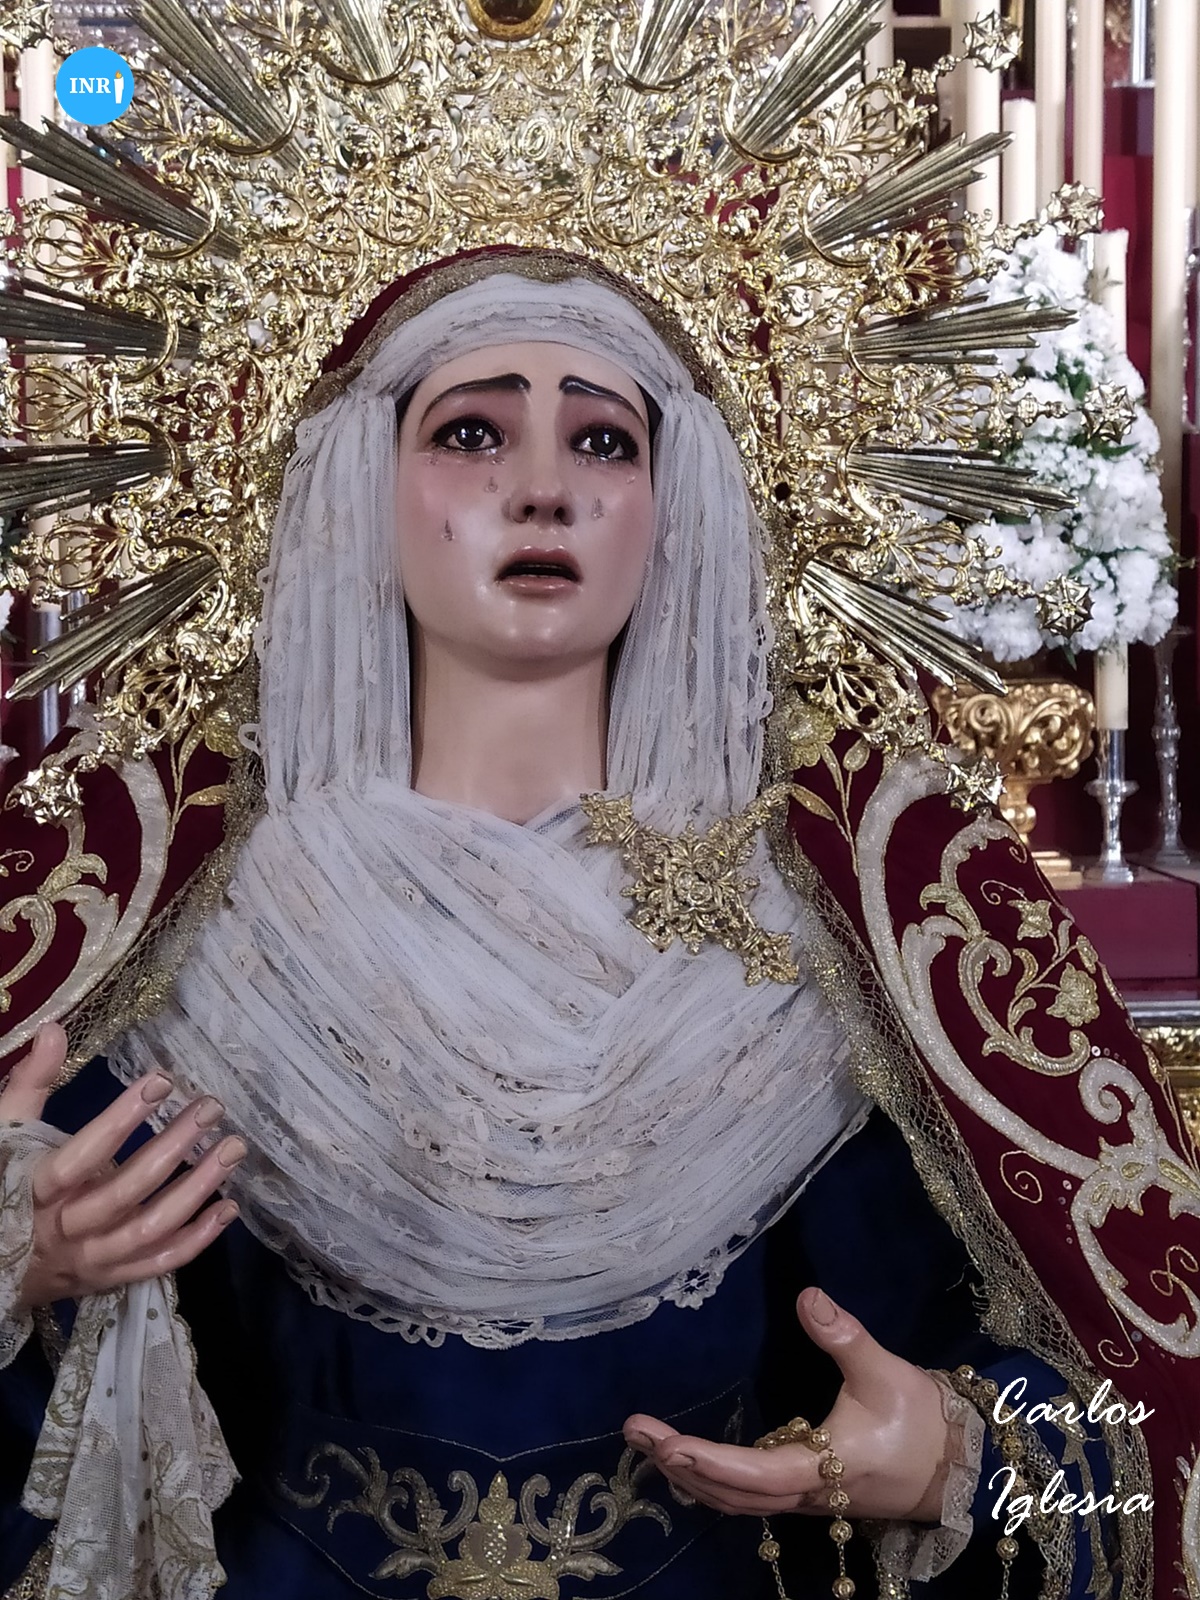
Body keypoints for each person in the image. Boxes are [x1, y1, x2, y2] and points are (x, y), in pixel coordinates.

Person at [0, 263, 1147, 1600]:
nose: (543, 489)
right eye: (471, 431)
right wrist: (17, 1268)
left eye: (604, 441)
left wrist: (962, 1457)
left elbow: (1127, 1383)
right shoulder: (157, 912)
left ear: (679, 500)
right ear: (360, 483)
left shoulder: (855, 910)